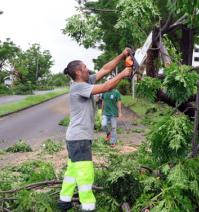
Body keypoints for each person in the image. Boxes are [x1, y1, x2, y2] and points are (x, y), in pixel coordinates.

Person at [59, 48, 132, 211]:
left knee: (72, 172)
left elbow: (105, 70)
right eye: (85, 68)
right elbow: (106, 87)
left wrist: (122, 55)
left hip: (75, 138)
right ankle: (88, 207)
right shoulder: (78, 87)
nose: (88, 69)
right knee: (85, 174)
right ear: (78, 72)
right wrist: (123, 74)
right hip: (79, 139)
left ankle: (64, 202)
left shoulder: (86, 81)